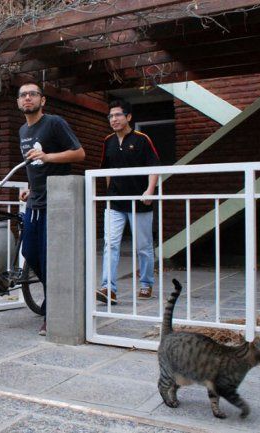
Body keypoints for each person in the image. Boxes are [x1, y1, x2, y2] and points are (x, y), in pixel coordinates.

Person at [16, 82, 85, 336]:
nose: (27, 98)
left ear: (42, 100)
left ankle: (52, 311)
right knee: (30, 253)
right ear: (19, 102)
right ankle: (53, 300)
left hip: (58, 204)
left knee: (50, 260)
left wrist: (48, 157)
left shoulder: (54, 123)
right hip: (35, 202)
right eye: (23, 95)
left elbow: (79, 154)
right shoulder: (23, 130)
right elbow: (32, 167)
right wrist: (30, 189)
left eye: (33, 94)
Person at [97, 99, 161, 305]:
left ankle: (146, 283)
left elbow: (154, 167)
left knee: (143, 246)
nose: (113, 119)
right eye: (110, 116)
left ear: (128, 117)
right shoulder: (108, 141)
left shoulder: (142, 139)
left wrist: (150, 191)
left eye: (117, 115)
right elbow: (107, 171)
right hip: (115, 202)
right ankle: (108, 288)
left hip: (140, 202)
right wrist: (108, 194)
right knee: (111, 244)